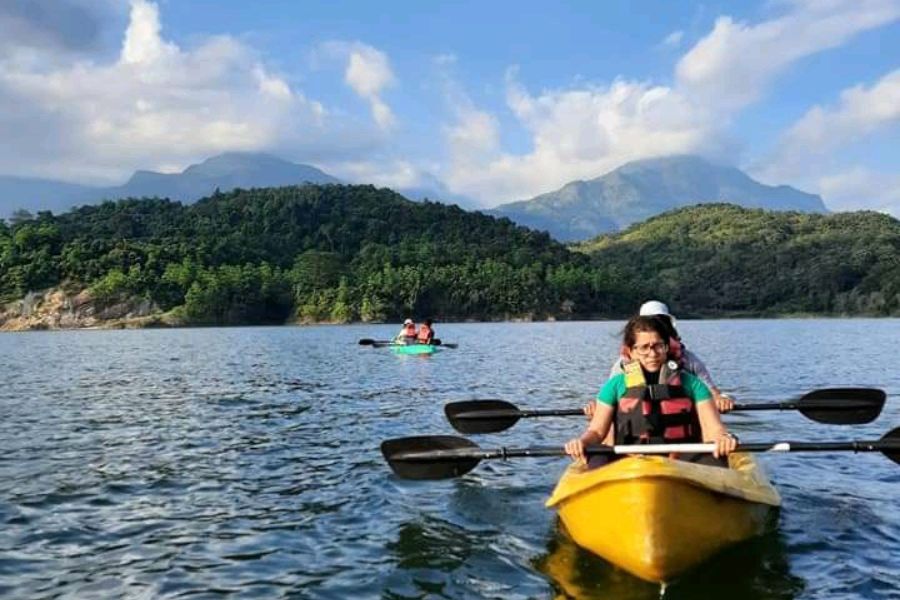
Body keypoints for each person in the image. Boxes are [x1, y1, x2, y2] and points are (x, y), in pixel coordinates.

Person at [566, 315, 737, 468]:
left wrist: (722, 437)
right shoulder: (615, 385)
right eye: (644, 347)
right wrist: (582, 441)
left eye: (658, 346)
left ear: (667, 348)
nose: (652, 353)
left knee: (716, 458)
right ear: (631, 352)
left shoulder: (692, 384)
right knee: (597, 455)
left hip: (682, 458)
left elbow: (713, 427)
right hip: (629, 458)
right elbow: (596, 431)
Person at [586, 300, 734, 416]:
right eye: (649, 322)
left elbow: (711, 392)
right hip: (637, 435)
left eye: (660, 322)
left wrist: (721, 399)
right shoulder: (623, 365)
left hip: (683, 433)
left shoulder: (688, 360)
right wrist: (596, 407)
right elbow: (607, 397)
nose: (654, 327)